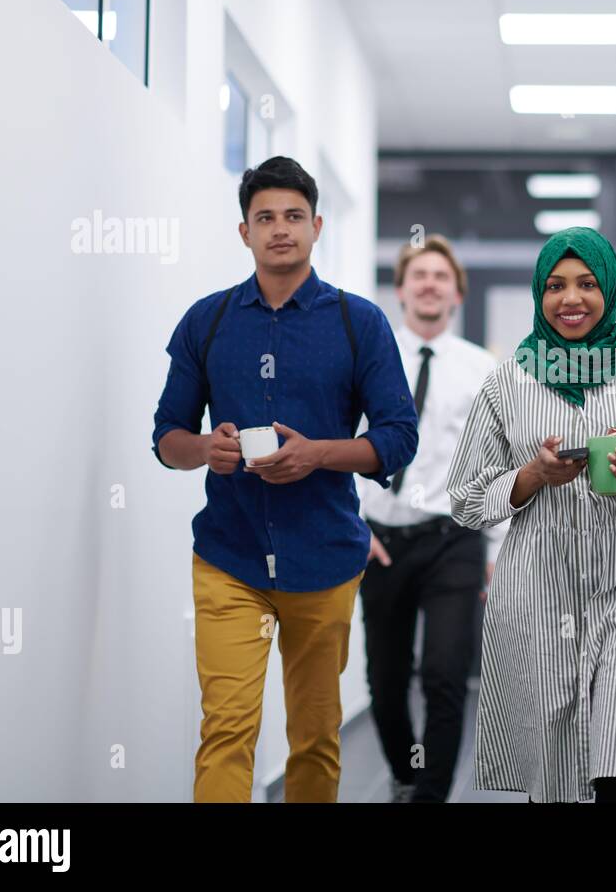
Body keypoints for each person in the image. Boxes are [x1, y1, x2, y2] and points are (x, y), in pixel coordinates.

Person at [151, 156, 418, 803]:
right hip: (228, 556)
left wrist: (319, 454)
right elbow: (166, 438)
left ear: (317, 226)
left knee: (316, 737)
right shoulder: (206, 322)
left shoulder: (360, 323)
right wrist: (205, 450)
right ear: (243, 231)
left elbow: (398, 436)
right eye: (264, 217)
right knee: (227, 729)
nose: (280, 229)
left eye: (293, 216)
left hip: (323, 559)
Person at [446, 227, 616, 803]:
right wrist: (533, 476)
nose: (571, 298)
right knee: (556, 778)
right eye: (555, 286)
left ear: (610, 288)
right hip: (537, 594)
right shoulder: (507, 382)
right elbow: (466, 498)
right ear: (539, 295)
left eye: (587, 284)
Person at [356, 233, 507, 803]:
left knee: (446, 675)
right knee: (386, 682)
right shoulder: (367, 359)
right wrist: (354, 526)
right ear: (399, 290)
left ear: (456, 292)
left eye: (440, 276)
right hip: (381, 540)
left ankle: (432, 797)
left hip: (455, 538)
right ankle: (404, 774)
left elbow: (500, 462)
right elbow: (340, 445)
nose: (429, 284)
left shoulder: (482, 370)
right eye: (418, 274)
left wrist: (496, 548)